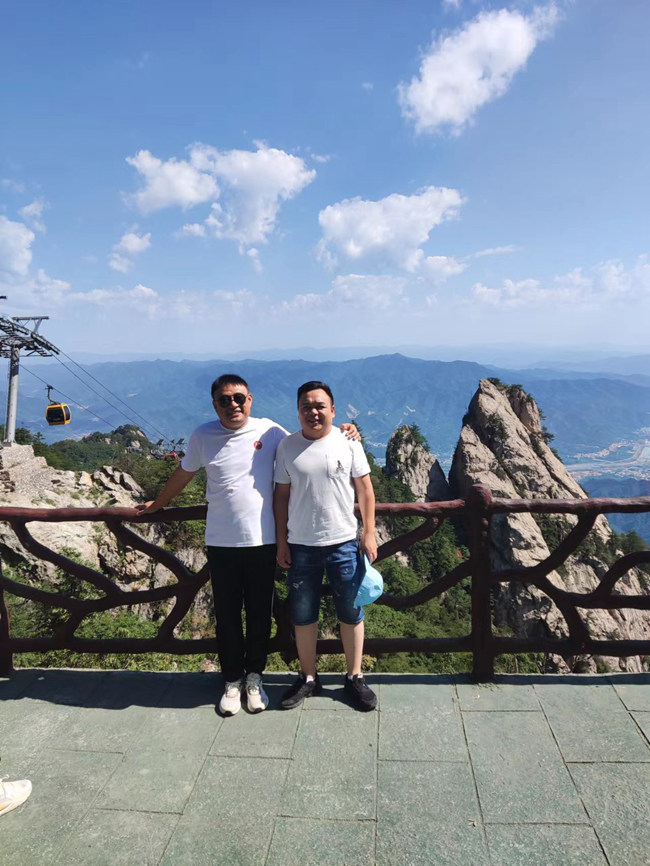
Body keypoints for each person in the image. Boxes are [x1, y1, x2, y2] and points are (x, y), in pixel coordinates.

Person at [137, 374, 360, 717]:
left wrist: (347, 431)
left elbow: (310, 440)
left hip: (263, 540)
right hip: (221, 541)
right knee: (227, 615)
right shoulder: (202, 436)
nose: (232, 405)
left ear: (250, 399)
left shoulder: (270, 431)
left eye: (238, 398)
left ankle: (254, 678)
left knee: (259, 614)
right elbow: (184, 473)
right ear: (215, 405)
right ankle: (231, 680)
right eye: (224, 400)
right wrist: (157, 504)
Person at [274, 380, 378, 711]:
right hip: (301, 545)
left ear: (332, 410)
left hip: (344, 543)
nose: (313, 412)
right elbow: (281, 496)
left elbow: (365, 490)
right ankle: (308, 677)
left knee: (351, 611)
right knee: (303, 615)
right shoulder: (287, 446)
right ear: (298, 411)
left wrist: (369, 532)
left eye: (320, 406)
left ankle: (355, 676)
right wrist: (281, 541)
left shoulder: (348, 442)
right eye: (306, 406)